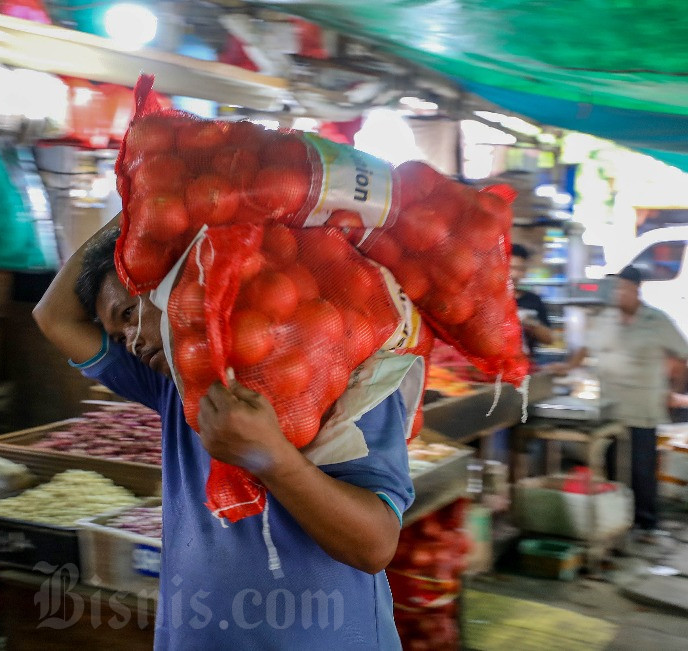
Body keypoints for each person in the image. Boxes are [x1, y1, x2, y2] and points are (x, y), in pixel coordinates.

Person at [34, 224, 414, 648]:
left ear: (180, 282)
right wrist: (142, 206)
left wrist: (271, 457)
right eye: (121, 336)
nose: (132, 342)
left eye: (129, 314)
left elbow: (374, 546)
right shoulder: (172, 385)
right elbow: (52, 316)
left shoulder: (341, 368)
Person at [550, 266, 688, 536]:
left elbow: (682, 357)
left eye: (623, 288)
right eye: (615, 288)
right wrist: (567, 367)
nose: (617, 293)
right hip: (610, 407)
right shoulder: (604, 318)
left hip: (643, 406)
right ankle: (618, 518)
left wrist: (674, 390)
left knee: (641, 467)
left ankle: (646, 521)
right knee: (614, 465)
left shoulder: (656, 320)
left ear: (636, 289)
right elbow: (585, 348)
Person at [510, 243, 553, 358]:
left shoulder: (532, 300)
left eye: (519, 269)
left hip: (524, 367)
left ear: (524, 271)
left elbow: (548, 339)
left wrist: (530, 322)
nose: (514, 274)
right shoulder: (488, 300)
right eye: (509, 268)